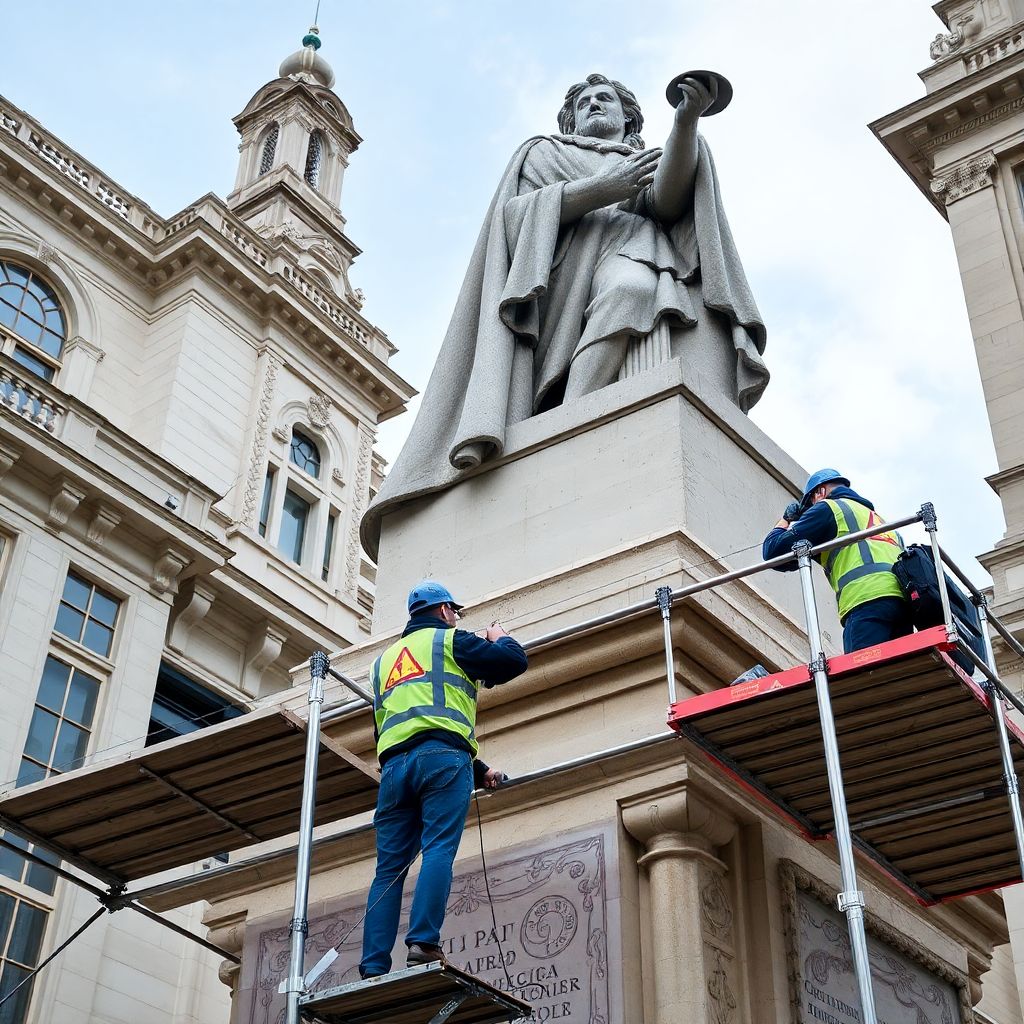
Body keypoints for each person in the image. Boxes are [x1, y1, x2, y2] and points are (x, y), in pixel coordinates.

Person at [360, 72, 767, 562]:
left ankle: (575, 416)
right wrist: (601, 189)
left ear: (628, 118)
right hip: (559, 281)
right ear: (570, 119)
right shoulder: (543, 152)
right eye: (585, 101)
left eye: (606, 99)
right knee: (632, 286)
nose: (595, 104)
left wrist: (685, 122)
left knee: (634, 289)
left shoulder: (642, 159)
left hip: (633, 250)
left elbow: (667, 200)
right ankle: (566, 427)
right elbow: (515, 218)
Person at [359, 580, 528, 978]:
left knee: (388, 870)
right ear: (444, 610)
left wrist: (480, 770)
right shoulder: (452, 641)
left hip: (393, 771)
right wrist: (499, 635)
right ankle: (422, 942)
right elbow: (513, 661)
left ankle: (373, 966)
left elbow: (409, 724)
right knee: (438, 848)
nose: (456, 618)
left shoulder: (382, 665)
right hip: (442, 761)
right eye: (455, 612)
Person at [762, 469, 913, 654]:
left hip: (866, 599)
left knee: (864, 669)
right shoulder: (881, 522)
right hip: (904, 606)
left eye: (810, 503)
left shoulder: (829, 508)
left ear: (821, 492)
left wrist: (786, 520)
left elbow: (773, 550)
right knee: (899, 668)